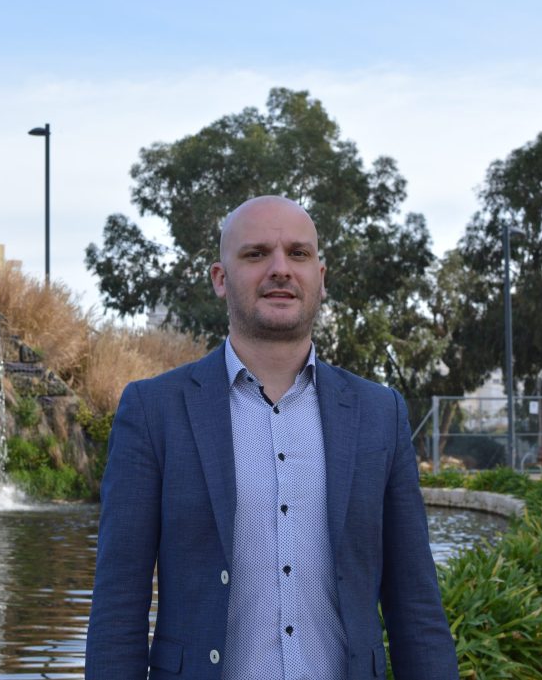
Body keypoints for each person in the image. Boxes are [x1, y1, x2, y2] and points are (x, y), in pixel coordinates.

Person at [84, 196, 458, 680]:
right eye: (257, 254)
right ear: (221, 278)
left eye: (298, 254)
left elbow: (416, 606)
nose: (280, 268)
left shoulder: (378, 414)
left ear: (320, 278)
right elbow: (118, 607)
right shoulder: (155, 411)